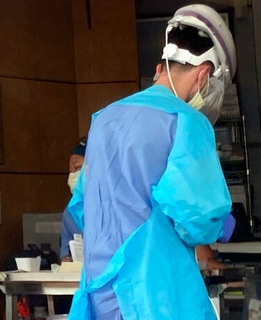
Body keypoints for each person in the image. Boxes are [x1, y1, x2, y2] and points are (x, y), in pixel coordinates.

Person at [66, 4, 237, 319]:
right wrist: (225, 224)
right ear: (203, 74)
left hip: (100, 295)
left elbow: (80, 206)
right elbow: (198, 220)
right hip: (153, 296)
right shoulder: (186, 122)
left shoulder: (103, 120)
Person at [60, 137, 86, 261]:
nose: (73, 174)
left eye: (78, 168)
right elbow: (65, 256)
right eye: (71, 170)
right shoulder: (70, 213)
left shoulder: (114, 205)